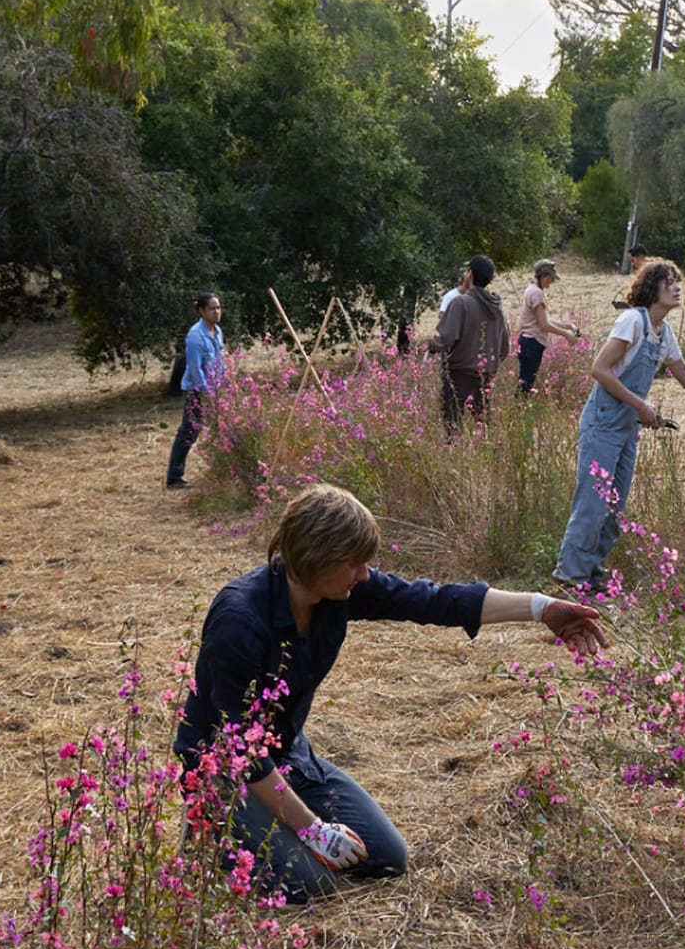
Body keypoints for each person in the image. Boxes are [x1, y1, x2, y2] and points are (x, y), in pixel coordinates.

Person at [175, 483, 607, 904]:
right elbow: (239, 747)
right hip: (223, 770)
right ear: (316, 558)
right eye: (354, 563)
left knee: (384, 858)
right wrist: (311, 829)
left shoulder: (337, 591)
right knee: (310, 886)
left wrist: (542, 607)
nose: (364, 575)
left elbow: (434, 601)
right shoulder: (239, 619)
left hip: (287, 755)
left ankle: (266, 823)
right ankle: (212, 827)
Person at [554, 259, 685, 593]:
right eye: (669, 281)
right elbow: (599, 370)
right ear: (653, 288)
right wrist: (641, 405)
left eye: (677, 281)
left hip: (626, 428)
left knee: (614, 508)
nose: (677, 287)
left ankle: (590, 576)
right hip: (602, 422)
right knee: (592, 503)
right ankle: (569, 579)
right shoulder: (632, 320)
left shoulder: (665, 335)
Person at [427, 255, 510, 431]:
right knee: (484, 427)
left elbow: (447, 338)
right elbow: (504, 348)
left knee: (453, 425)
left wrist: (433, 345)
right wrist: (490, 365)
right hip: (485, 375)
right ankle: (485, 457)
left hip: (459, 374)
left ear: (469, 274)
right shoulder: (497, 310)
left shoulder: (460, 303)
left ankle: (454, 455)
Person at [166, 292, 226, 491]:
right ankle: (174, 478)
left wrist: (224, 386)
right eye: (212, 308)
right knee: (189, 432)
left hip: (215, 389)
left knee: (221, 430)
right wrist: (207, 394)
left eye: (218, 307)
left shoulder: (217, 331)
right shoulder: (195, 336)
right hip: (197, 391)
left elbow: (220, 362)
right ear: (202, 311)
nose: (216, 312)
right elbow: (195, 369)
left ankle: (222, 471)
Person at [515, 258, 581, 396]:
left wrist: (567, 325)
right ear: (543, 276)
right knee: (524, 387)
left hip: (529, 343)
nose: (552, 281)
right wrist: (567, 335)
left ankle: (520, 407)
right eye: (551, 278)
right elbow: (544, 325)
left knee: (526, 384)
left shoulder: (533, 290)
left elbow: (544, 320)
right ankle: (517, 410)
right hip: (531, 344)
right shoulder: (536, 293)